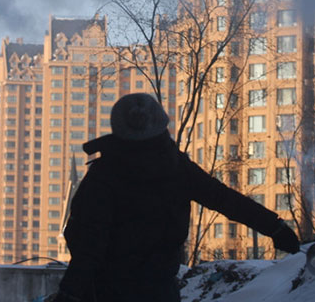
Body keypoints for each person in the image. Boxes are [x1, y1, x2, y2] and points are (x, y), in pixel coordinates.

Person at [52, 92, 301, 302]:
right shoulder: (176, 168)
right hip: (160, 290)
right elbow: (225, 199)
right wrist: (275, 228)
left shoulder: (103, 176)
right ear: (161, 124)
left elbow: (87, 242)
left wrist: (70, 293)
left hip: (109, 290)